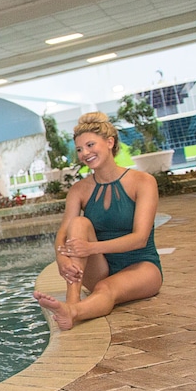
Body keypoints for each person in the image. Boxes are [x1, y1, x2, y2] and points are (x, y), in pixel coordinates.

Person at [33, 112, 162, 331]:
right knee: (78, 224)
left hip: (142, 266)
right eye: (80, 150)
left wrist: (91, 247)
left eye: (91, 145)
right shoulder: (79, 190)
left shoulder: (143, 182)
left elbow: (140, 238)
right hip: (99, 267)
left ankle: (72, 312)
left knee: (106, 288)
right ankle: (71, 300)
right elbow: (64, 233)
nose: (85, 153)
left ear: (110, 142)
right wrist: (61, 258)